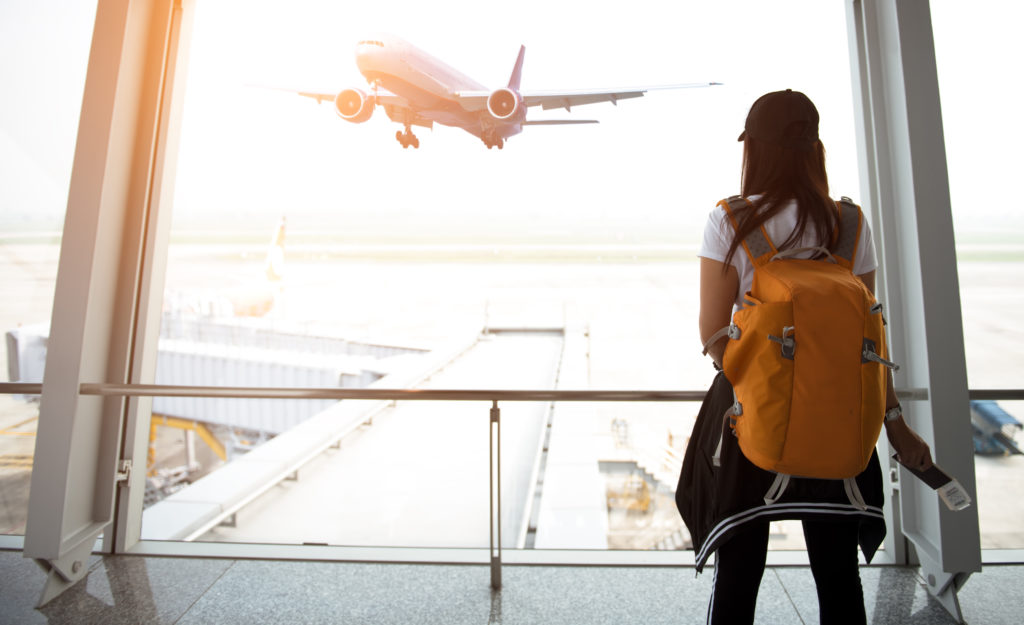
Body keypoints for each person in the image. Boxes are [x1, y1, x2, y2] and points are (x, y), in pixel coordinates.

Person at [677, 89, 933, 625]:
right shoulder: (851, 225)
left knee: (740, 573)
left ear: (755, 150)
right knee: (837, 576)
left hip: (751, 417)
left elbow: (713, 334)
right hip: (838, 416)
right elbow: (872, 340)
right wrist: (894, 423)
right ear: (815, 149)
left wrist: (768, 376)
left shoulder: (731, 221)